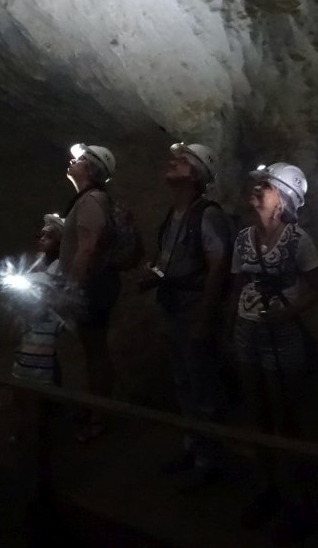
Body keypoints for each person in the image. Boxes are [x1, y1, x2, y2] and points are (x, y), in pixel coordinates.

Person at [230, 162, 318, 538]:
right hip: (247, 330)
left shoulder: (298, 240)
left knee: (286, 412)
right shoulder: (242, 239)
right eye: (256, 185)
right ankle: (269, 487)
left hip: (281, 333)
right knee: (257, 411)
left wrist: (288, 312)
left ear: (284, 199)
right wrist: (233, 322)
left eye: (265, 186)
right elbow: (239, 285)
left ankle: (299, 498)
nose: (256, 190)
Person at [142, 142, 232, 488]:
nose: (172, 161)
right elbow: (173, 261)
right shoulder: (175, 213)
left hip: (193, 309)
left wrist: (203, 319)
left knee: (203, 385)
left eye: (182, 160)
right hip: (174, 306)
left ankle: (210, 462)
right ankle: (194, 448)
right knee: (183, 382)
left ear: (195, 173)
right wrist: (155, 277)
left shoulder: (206, 214)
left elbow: (217, 268)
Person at [60, 143, 120, 442]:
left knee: (96, 352)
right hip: (93, 286)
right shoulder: (87, 199)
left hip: (91, 288)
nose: (73, 161)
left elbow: (86, 248)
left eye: (80, 159)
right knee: (92, 350)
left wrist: (70, 289)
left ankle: (99, 416)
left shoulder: (91, 201)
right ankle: (96, 408)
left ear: (92, 169)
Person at [12, 214, 66, 385]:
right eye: (41, 235)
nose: (42, 239)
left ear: (60, 245)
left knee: (42, 369)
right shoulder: (39, 263)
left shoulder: (59, 267)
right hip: (33, 329)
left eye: (49, 237)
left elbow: (46, 282)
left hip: (46, 328)